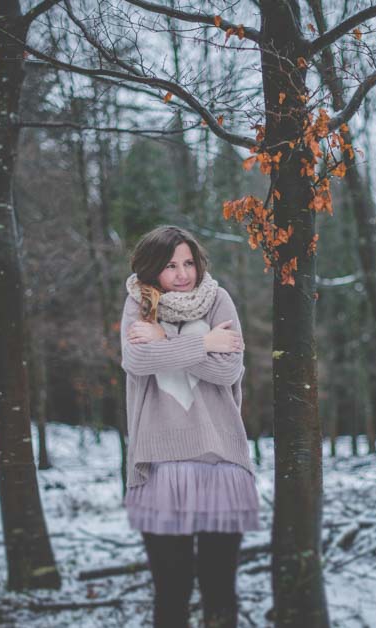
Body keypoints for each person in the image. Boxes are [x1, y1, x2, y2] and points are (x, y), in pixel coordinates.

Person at [120, 225, 261, 628]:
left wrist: (164, 341)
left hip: (221, 463)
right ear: (152, 270)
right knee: (171, 594)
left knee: (219, 594)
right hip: (159, 468)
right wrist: (202, 343)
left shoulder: (218, 300)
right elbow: (137, 362)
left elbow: (228, 367)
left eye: (188, 263)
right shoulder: (138, 304)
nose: (183, 274)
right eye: (170, 265)